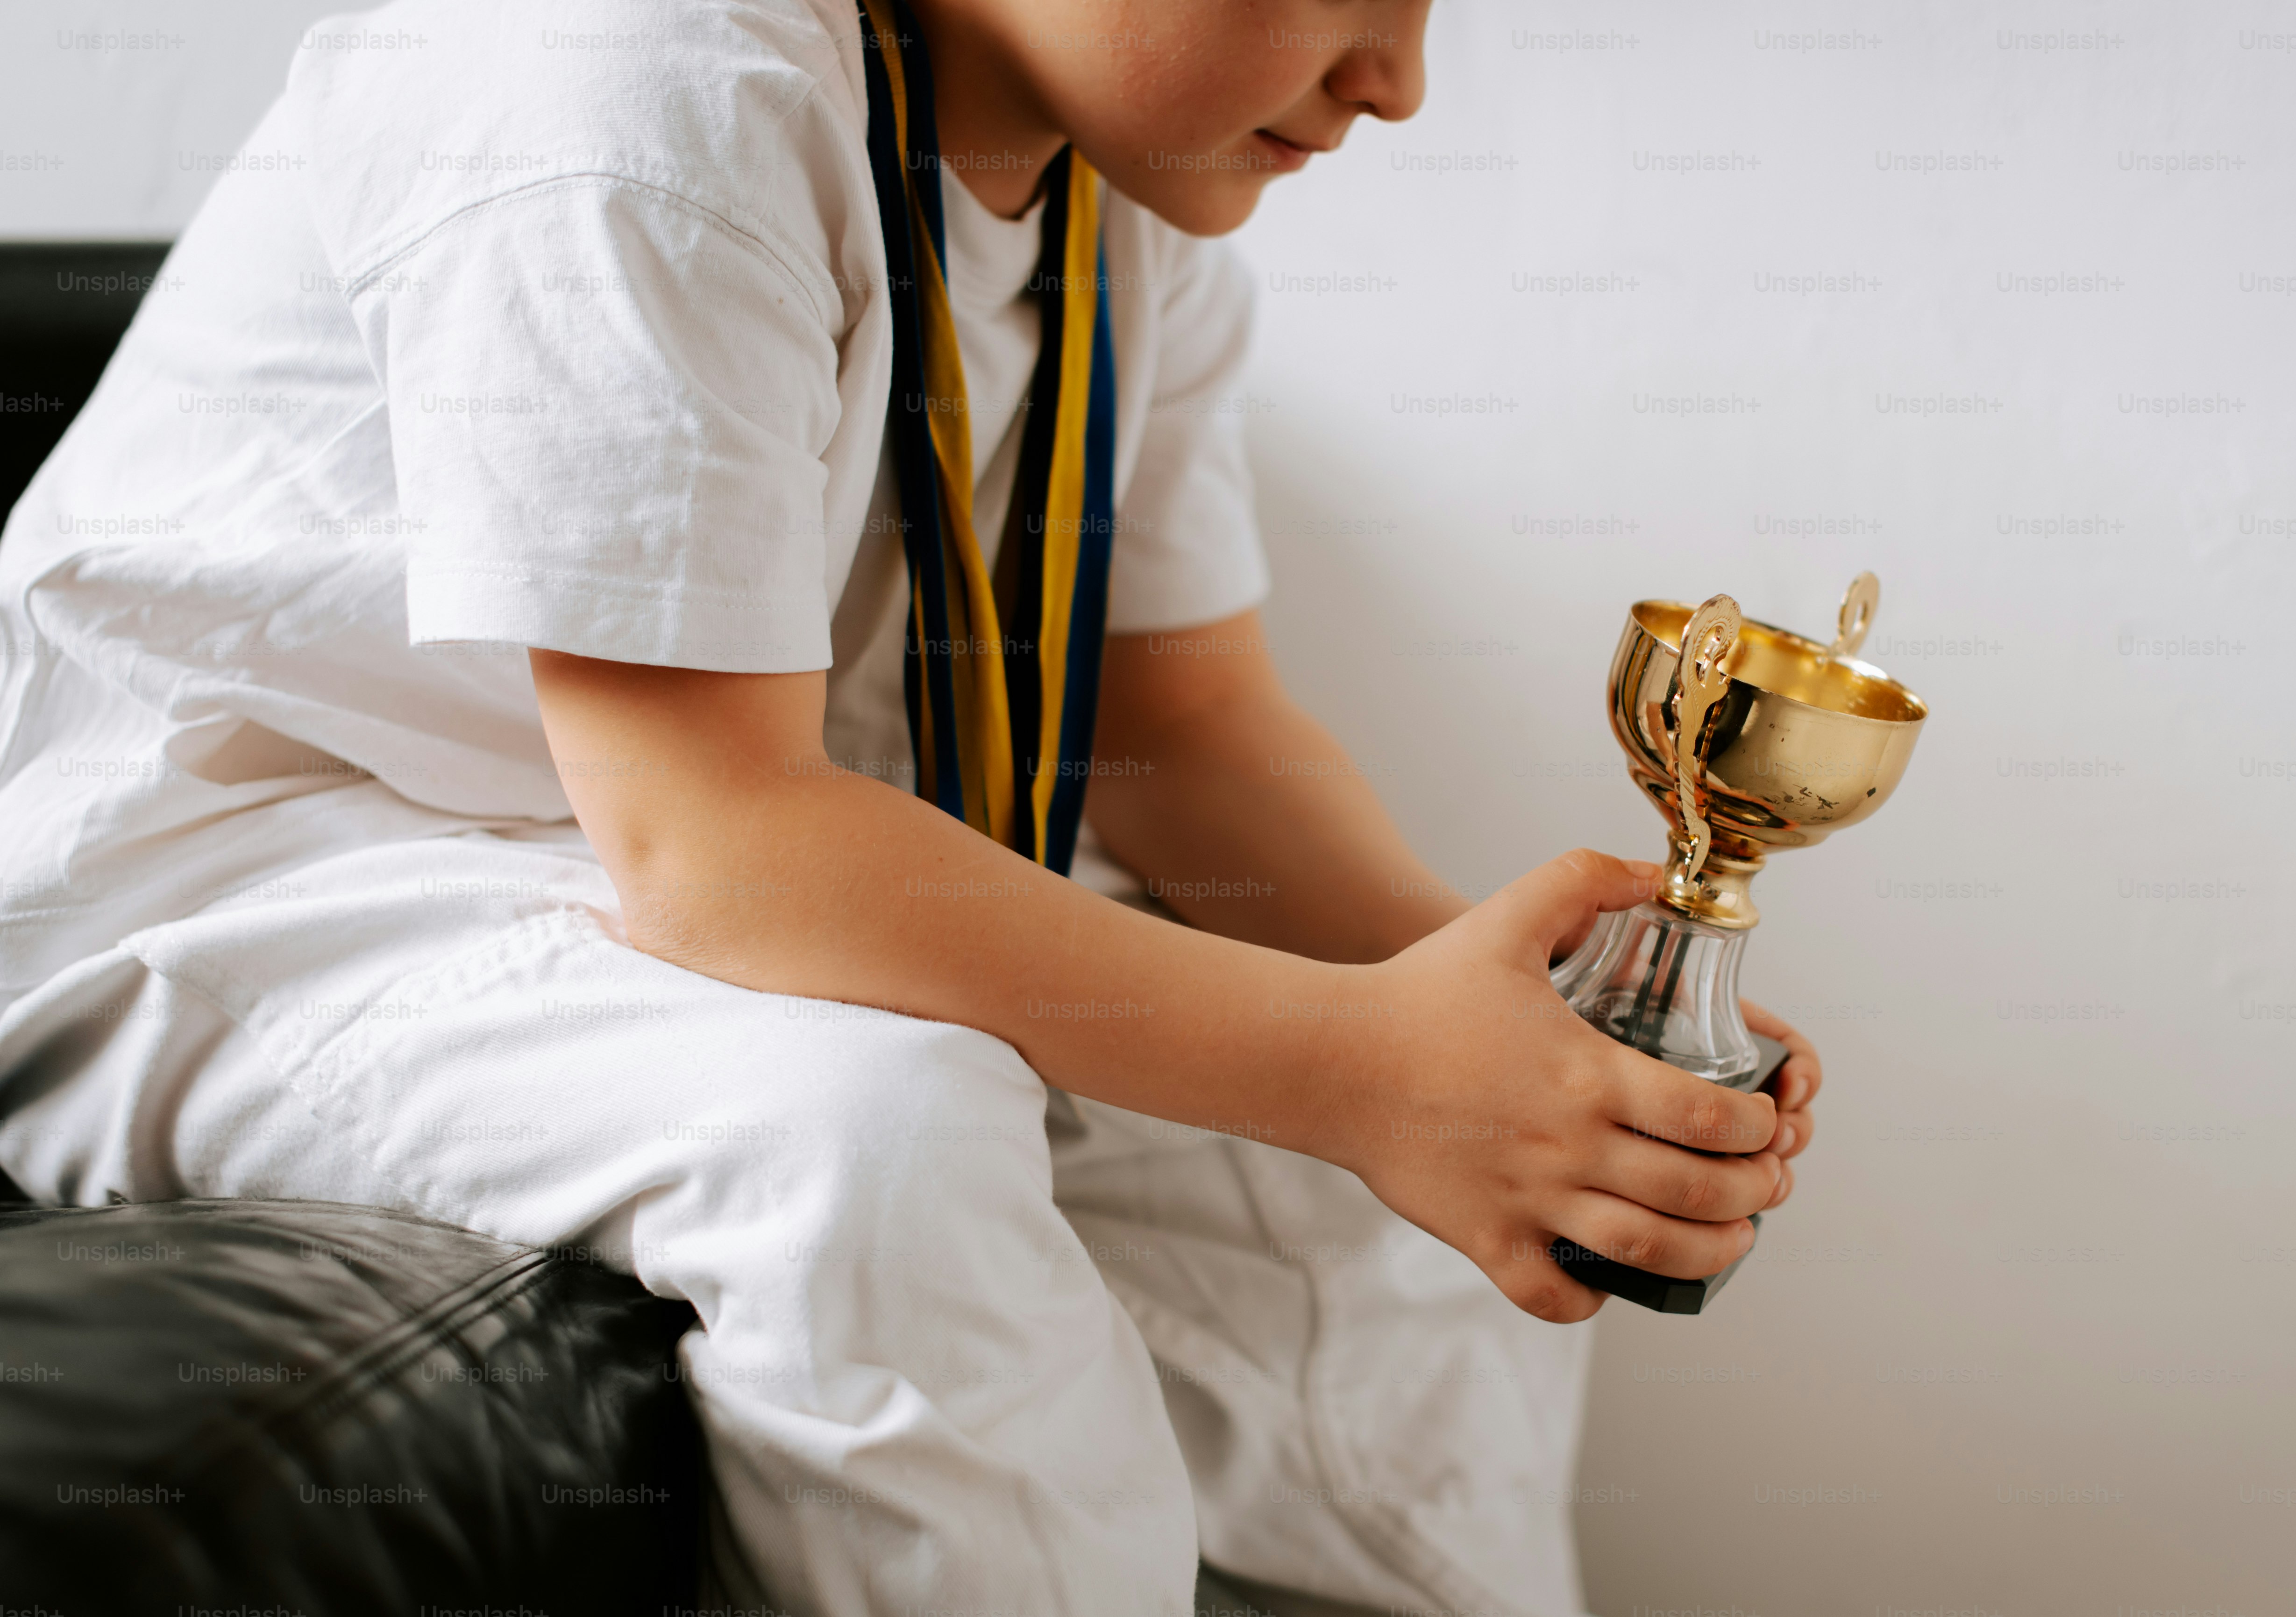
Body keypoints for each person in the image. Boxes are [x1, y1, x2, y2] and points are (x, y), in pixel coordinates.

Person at [0, 0, 1822, 1611]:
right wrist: (1365, 1062)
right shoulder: (626, 76)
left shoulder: (1135, 200)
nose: (1399, 76)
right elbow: (716, 846)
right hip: (257, 878)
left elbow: (1181, 721)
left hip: (669, 857)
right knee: (871, 1129)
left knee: (1372, 1201)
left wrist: (1495, 1031)